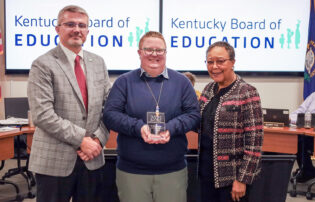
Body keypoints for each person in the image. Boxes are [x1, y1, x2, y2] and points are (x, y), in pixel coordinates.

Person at [102, 31, 200, 202]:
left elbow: (193, 115)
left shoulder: (182, 82)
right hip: (131, 171)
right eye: (148, 49)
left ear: (166, 53)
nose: (154, 54)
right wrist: (139, 127)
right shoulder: (123, 82)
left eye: (159, 50)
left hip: (173, 171)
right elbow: (110, 115)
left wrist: (170, 128)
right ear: (139, 52)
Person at [27, 5, 111, 202]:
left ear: (88, 31)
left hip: (92, 158)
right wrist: (83, 140)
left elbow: (109, 108)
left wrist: (98, 140)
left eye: (82, 25)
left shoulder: (98, 62)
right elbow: (42, 115)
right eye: (70, 24)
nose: (77, 29)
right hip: (54, 160)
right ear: (57, 29)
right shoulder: (43, 64)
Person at [198, 41, 263, 202]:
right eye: (210, 61)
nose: (214, 66)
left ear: (232, 62)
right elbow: (199, 123)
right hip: (206, 172)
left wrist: (243, 179)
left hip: (232, 178)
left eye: (220, 61)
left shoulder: (247, 92)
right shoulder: (208, 89)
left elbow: (255, 141)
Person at [289, 90, 315, 182]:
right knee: (297, 139)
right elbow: (300, 111)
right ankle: (307, 170)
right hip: (310, 134)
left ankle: (308, 171)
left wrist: (311, 122)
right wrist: (290, 118)